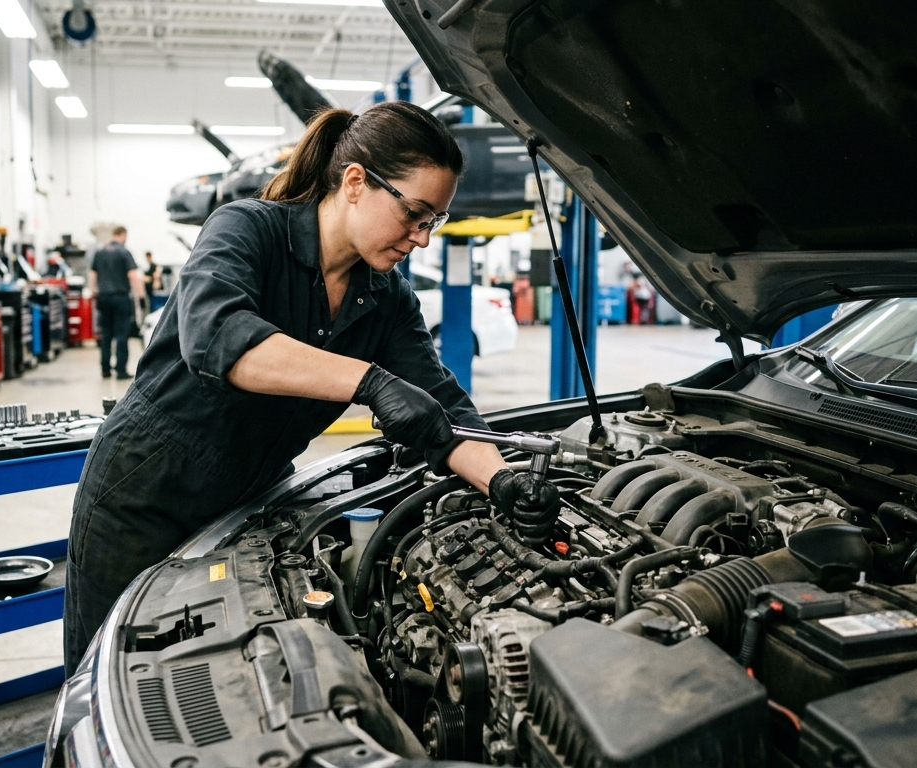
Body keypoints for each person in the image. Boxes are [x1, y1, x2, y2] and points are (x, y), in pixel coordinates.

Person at [62, 102, 560, 672]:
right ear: (355, 182)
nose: (422, 239)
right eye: (415, 214)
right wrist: (369, 381)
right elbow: (219, 339)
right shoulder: (246, 228)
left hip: (251, 502)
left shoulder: (386, 299)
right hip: (146, 496)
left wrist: (503, 479)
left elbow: (443, 410)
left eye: (434, 222)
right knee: (115, 671)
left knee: (222, 678)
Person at [89, 226, 142, 379]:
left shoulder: (100, 252)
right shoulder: (124, 252)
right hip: (120, 298)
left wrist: (93, 290)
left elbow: (92, 274)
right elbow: (133, 275)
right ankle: (121, 370)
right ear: (123, 235)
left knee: (106, 333)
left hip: (104, 297)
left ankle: (105, 369)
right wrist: (141, 295)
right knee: (121, 334)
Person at [140, 251, 158, 315]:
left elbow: (155, 276)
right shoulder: (145, 266)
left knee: (152, 301)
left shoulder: (154, 266)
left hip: (151, 286)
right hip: (146, 287)